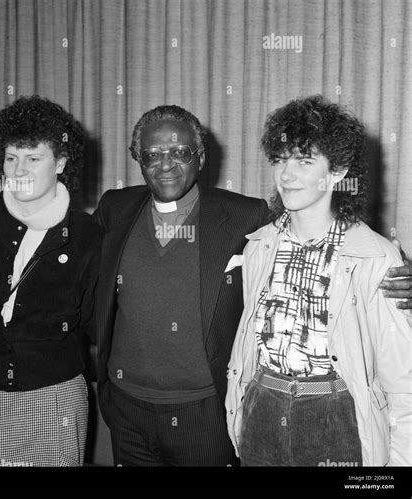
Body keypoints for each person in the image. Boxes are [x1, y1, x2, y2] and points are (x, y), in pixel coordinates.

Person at [226, 95, 412, 467]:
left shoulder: (375, 256)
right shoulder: (258, 245)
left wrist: (399, 463)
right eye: (280, 160)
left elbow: (401, 378)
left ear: (338, 171)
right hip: (263, 405)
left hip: (335, 414)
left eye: (304, 161)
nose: (286, 175)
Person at [93, 105, 269, 466]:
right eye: (152, 155)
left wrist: (385, 272)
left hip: (205, 413)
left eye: (179, 152)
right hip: (126, 409)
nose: (166, 164)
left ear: (201, 157)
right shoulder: (115, 207)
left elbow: (307, 248)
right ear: (139, 162)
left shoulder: (245, 216)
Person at [0, 95, 101, 466]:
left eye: (33, 158)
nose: (19, 170)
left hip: (56, 401)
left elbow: (103, 324)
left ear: (60, 163)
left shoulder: (86, 234)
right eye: (11, 158)